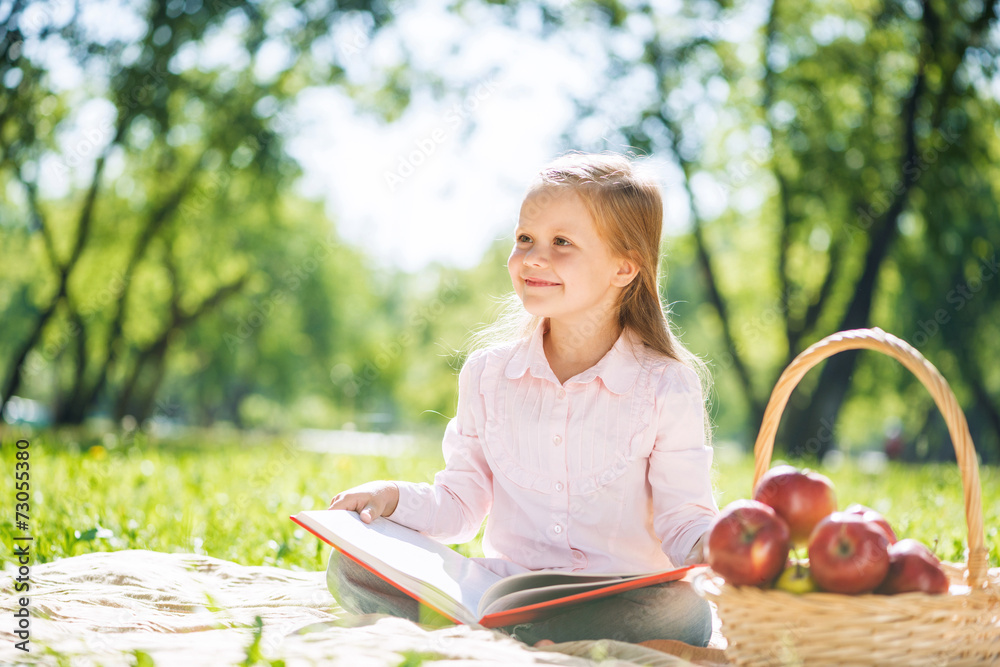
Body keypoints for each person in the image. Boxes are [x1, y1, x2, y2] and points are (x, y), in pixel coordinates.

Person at [327, 151, 719, 647]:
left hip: (617, 596)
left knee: (679, 611)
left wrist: (718, 545)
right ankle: (523, 634)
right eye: (524, 239)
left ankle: (504, 638)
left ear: (624, 267)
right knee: (351, 567)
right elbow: (459, 504)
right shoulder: (488, 375)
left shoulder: (665, 385)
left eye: (562, 242)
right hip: (502, 589)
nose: (534, 257)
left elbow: (684, 522)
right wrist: (391, 498)